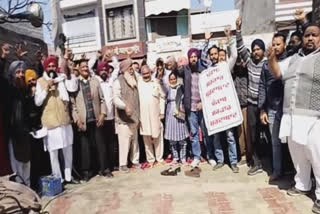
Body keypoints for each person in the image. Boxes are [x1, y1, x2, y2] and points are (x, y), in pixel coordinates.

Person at [267, 23, 320, 214]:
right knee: (298, 154)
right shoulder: (293, 59)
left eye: (314, 35)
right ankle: (302, 184)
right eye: (307, 35)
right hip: (291, 115)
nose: (310, 39)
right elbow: (277, 72)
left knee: (317, 155)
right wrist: (271, 58)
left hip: (314, 116)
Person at [201, 27, 239, 173]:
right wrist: (206, 41)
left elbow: (234, 55)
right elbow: (202, 57)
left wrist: (229, 38)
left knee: (230, 136)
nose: (213, 56)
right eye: (211, 54)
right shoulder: (207, 72)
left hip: (226, 108)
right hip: (215, 110)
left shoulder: (225, 66)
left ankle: (233, 162)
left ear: (219, 54)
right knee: (216, 137)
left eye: (215, 53)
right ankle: (220, 160)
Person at [35, 56, 77, 183]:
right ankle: (58, 178)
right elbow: (37, 102)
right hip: (51, 123)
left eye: (53, 66)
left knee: (68, 149)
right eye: (49, 66)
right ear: (45, 68)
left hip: (64, 120)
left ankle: (69, 176)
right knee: (53, 153)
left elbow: (72, 89)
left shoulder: (62, 79)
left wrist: (65, 75)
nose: (51, 68)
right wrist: (47, 88)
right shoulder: (40, 81)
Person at [236, 17, 267, 176]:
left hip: (266, 106)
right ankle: (256, 163)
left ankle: (273, 165)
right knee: (253, 136)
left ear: (263, 50)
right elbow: (241, 48)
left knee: (269, 136)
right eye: (253, 49)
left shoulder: (268, 63)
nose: (255, 52)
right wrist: (238, 30)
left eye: (258, 49)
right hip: (251, 105)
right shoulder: (250, 63)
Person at [71, 59, 107, 181]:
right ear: (79, 69)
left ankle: (104, 169)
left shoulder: (95, 81)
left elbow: (102, 99)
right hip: (83, 121)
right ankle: (87, 172)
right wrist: (77, 120)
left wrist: (103, 113)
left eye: (87, 66)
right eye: (83, 67)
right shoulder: (76, 83)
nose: (85, 68)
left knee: (100, 145)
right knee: (85, 148)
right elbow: (73, 105)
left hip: (96, 119)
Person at [258, 33, 287, 182]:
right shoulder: (265, 64)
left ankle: (295, 172)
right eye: (273, 44)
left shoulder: (291, 61)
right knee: (275, 142)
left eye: (278, 44)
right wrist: (262, 109)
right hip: (272, 109)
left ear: (284, 45)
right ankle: (277, 171)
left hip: (288, 109)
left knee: (291, 143)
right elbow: (262, 86)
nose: (275, 47)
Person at [177, 48, 205, 168]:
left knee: (206, 133)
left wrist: (203, 102)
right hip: (191, 108)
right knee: (193, 133)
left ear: (198, 58)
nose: (193, 59)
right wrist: (176, 63)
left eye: (195, 56)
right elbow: (177, 71)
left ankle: (210, 155)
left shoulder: (203, 71)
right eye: (191, 57)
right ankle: (196, 157)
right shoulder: (186, 70)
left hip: (203, 107)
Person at [25, 69, 51, 189]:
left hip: (41, 129)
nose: (31, 83)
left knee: (44, 157)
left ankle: (46, 183)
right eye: (29, 81)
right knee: (34, 160)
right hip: (31, 132)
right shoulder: (24, 96)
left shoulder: (38, 92)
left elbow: (39, 104)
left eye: (33, 80)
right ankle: (36, 185)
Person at [113, 59, 140, 173]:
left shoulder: (135, 80)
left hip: (135, 117)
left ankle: (135, 161)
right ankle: (123, 164)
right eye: (129, 67)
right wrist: (124, 106)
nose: (131, 69)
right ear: (124, 70)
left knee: (135, 141)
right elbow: (115, 98)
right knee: (124, 142)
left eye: (132, 67)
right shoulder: (118, 81)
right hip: (123, 119)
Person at [7, 60, 31, 186]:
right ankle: (20, 192)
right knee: (16, 164)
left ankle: (28, 189)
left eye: (22, 72)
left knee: (26, 162)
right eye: (17, 72)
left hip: (25, 132)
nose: (21, 75)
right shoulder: (8, 90)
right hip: (13, 133)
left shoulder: (25, 90)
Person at [96, 56, 120, 176]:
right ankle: (103, 168)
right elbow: (89, 68)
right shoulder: (96, 80)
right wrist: (98, 57)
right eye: (101, 70)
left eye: (105, 69)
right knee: (102, 146)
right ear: (98, 72)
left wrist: (112, 57)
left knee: (111, 145)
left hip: (111, 119)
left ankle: (110, 166)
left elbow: (117, 67)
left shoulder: (111, 80)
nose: (104, 72)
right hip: (101, 119)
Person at [137, 65, 165, 165]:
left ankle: (159, 158)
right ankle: (151, 159)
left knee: (158, 135)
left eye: (147, 73)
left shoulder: (156, 83)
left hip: (155, 114)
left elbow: (162, 97)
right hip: (143, 115)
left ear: (150, 72)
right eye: (143, 73)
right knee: (146, 137)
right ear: (141, 74)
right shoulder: (138, 83)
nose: (146, 75)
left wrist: (162, 112)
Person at [164, 72, 189, 165]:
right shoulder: (167, 89)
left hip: (180, 113)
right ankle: (175, 157)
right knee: (172, 139)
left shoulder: (181, 88)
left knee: (182, 138)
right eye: (171, 79)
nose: (173, 80)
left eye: (174, 79)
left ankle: (183, 158)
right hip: (170, 114)